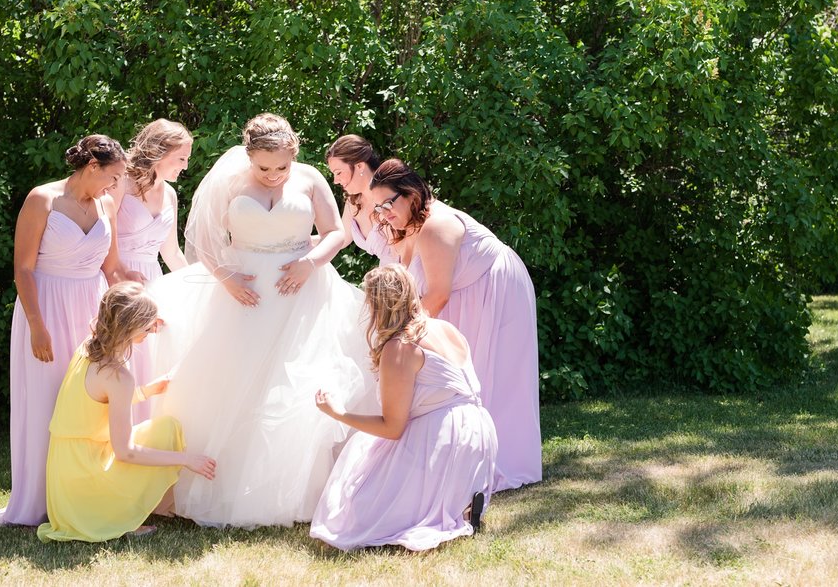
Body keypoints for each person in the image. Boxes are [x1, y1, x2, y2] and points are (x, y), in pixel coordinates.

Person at [147, 112, 374, 528]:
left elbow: (336, 232)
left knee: (298, 384)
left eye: (281, 167)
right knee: (233, 384)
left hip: (301, 292)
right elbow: (205, 239)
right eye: (263, 167)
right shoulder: (230, 181)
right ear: (248, 157)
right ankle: (226, 487)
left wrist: (310, 262)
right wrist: (227, 278)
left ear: (295, 155)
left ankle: (303, 490)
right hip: (244, 294)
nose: (272, 175)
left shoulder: (310, 179)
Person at [0, 134, 138, 527]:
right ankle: (38, 501)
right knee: (45, 401)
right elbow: (23, 268)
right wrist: (37, 327)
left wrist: (134, 303)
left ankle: (85, 493)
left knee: (88, 402)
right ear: (92, 166)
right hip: (46, 308)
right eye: (113, 176)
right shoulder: (43, 200)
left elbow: (112, 269)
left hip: (92, 310)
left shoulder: (107, 202)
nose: (115, 186)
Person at [368, 158, 542, 491]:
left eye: (387, 204)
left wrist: (401, 342)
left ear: (412, 194)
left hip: (494, 288)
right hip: (465, 293)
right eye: (378, 208)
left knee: (494, 375)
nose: (383, 214)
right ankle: (460, 460)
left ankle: (500, 461)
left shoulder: (436, 226)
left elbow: (437, 294)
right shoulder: (403, 227)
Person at [311, 264, 497, 551]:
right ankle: (458, 498)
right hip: (478, 433)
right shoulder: (446, 328)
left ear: (376, 305)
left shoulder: (399, 347)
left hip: (445, 437)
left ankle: (436, 503)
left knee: (355, 509)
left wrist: (338, 413)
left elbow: (392, 427)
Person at [37, 282, 216, 542]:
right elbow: (125, 452)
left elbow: (95, 401)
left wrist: (148, 391)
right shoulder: (118, 376)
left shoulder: (88, 346)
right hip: (85, 487)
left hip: (65, 486)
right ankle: (122, 515)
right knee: (169, 431)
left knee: (164, 427)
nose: (150, 333)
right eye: (146, 328)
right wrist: (185, 458)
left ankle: (147, 507)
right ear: (129, 327)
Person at [111, 119, 193, 420]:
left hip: (153, 282)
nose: (184, 166)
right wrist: (118, 275)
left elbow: (170, 251)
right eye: (181, 158)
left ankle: (143, 433)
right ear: (160, 152)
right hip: (118, 279)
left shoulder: (170, 194)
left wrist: (198, 281)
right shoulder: (121, 183)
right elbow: (105, 237)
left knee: (150, 359)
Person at [324, 134, 398, 266]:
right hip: (388, 274)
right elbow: (340, 238)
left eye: (339, 172)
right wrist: (297, 243)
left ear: (359, 166)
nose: (335, 181)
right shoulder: (353, 202)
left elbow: (403, 253)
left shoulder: (392, 198)